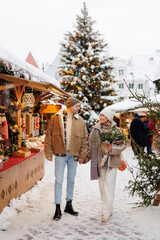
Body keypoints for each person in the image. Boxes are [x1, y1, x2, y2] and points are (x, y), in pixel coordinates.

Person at [44, 97, 88, 221]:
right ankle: (57, 208)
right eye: (77, 106)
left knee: (71, 180)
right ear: (70, 106)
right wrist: (48, 152)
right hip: (60, 154)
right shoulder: (55, 118)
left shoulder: (80, 121)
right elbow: (49, 136)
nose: (79, 108)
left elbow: (85, 138)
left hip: (73, 154)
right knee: (58, 180)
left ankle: (69, 204)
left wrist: (83, 155)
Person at [85, 108, 127, 222]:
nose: (101, 117)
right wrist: (85, 158)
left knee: (110, 185)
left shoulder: (117, 131)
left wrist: (112, 148)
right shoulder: (95, 130)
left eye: (103, 115)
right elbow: (90, 146)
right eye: (100, 115)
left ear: (108, 117)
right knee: (102, 185)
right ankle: (108, 206)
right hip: (100, 161)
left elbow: (123, 145)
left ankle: (106, 211)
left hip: (112, 161)